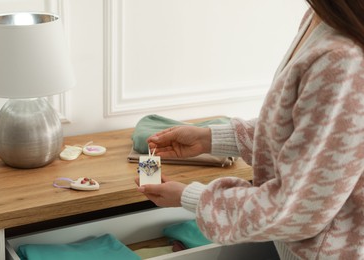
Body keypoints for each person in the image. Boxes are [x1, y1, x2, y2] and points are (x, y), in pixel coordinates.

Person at [136, 1, 364, 259]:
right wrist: (211, 138)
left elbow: (297, 210)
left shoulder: (342, 58)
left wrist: (191, 197)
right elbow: (300, 131)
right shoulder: (318, 18)